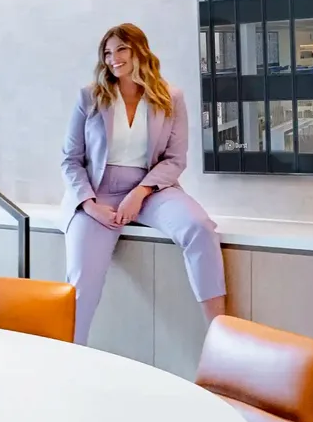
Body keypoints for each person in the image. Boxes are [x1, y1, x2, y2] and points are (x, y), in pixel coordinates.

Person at [62, 23, 228, 347]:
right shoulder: (90, 97)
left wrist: (140, 192)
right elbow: (70, 159)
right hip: (98, 194)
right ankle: (70, 359)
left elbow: (175, 159)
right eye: (107, 53)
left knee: (200, 227)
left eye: (121, 49)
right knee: (82, 284)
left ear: (140, 50)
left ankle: (222, 338)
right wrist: (90, 205)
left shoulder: (170, 97)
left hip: (151, 190)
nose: (113, 59)